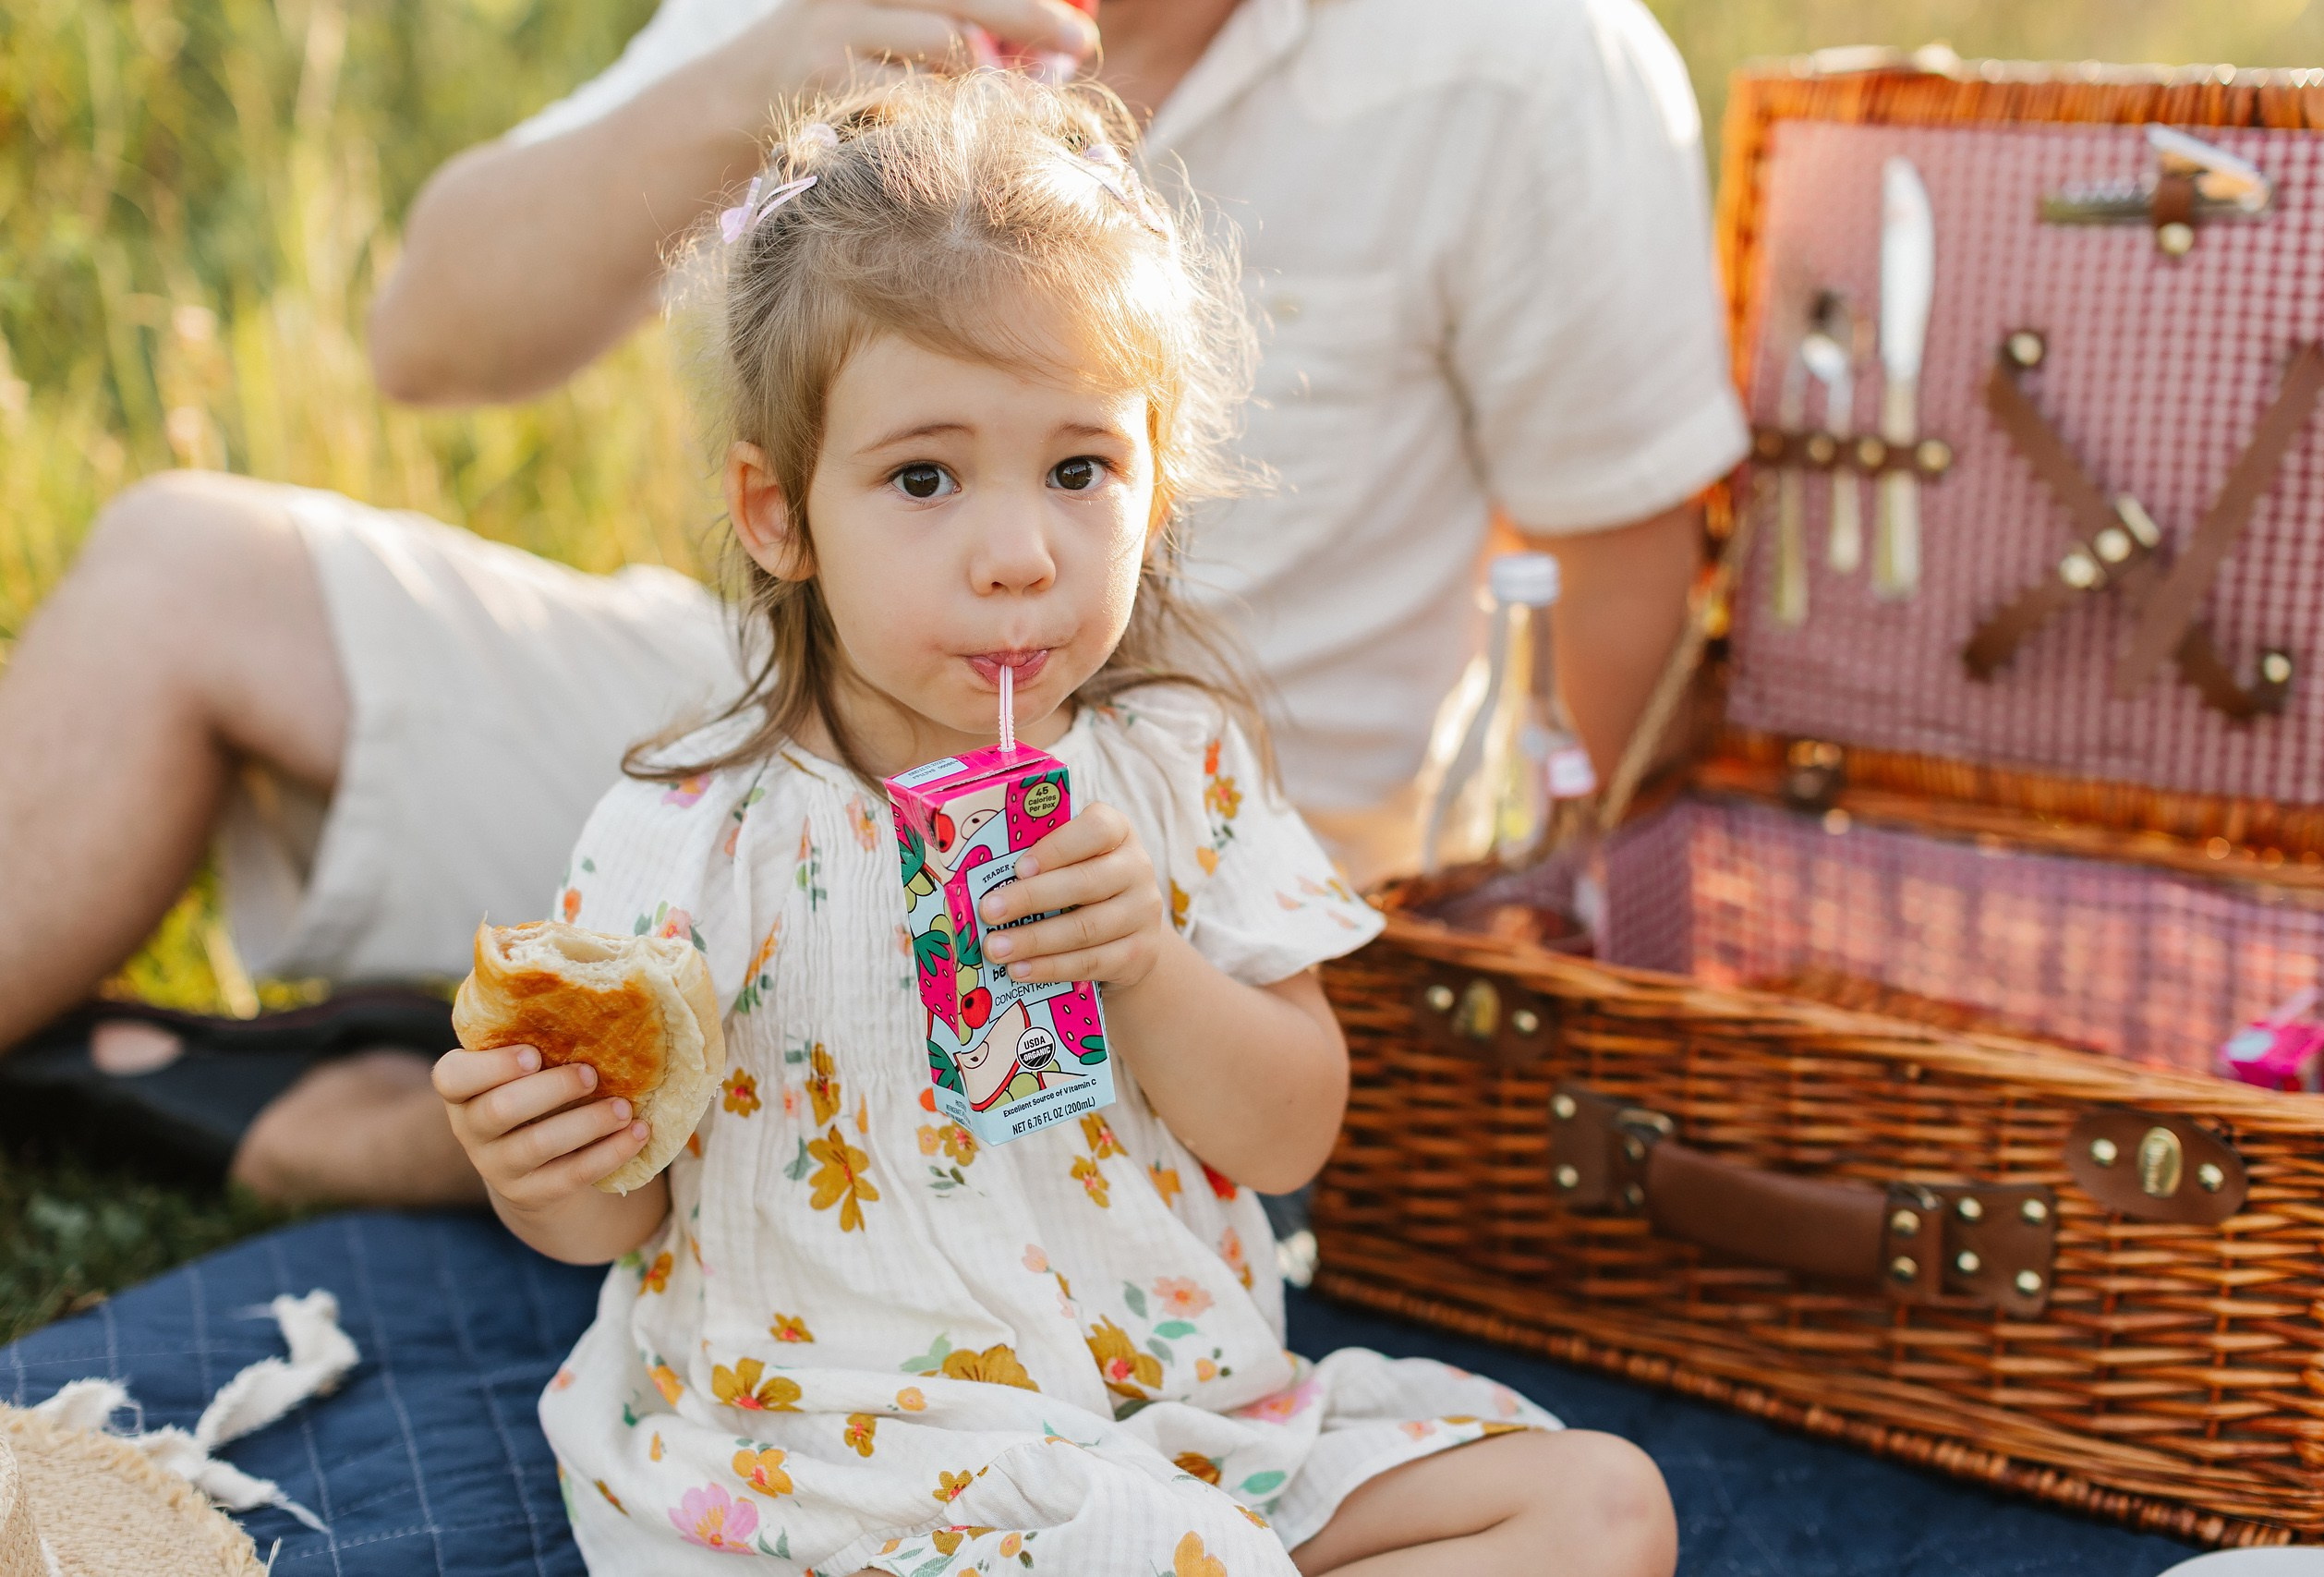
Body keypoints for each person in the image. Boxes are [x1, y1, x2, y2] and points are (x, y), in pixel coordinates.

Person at [0, 0, 1743, 1206]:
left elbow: (1628, 629)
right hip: (777, 729)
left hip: (1175, 860)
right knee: (179, 569)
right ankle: (450, 1132)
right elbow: (430, 337)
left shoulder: (1532, 54)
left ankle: (401, 1134)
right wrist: (750, 75)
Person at [431, 71, 1676, 1575]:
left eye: (1080, 469)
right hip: (840, 1463)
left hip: (1173, 1424)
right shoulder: (692, 830)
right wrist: (545, 1165)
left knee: (1601, 1509)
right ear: (779, 515)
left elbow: (1292, 1133)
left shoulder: (1177, 769)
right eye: (925, 478)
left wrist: (1147, 965)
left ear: (1156, 480)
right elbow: (613, 1227)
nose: (1019, 554)